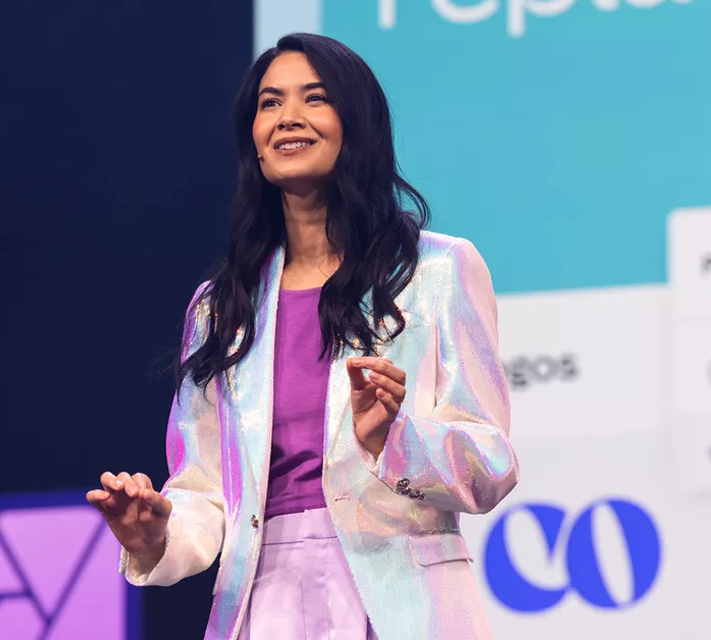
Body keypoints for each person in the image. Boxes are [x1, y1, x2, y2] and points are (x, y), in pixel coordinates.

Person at [86, 32, 519, 640]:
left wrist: (393, 438)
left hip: (397, 604)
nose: (288, 117)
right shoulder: (220, 308)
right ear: (255, 146)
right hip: (265, 605)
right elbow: (206, 495)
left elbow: (490, 465)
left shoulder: (437, 271)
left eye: (314, 99)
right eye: (269, 103)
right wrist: (156, 535)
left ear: (356, 124)